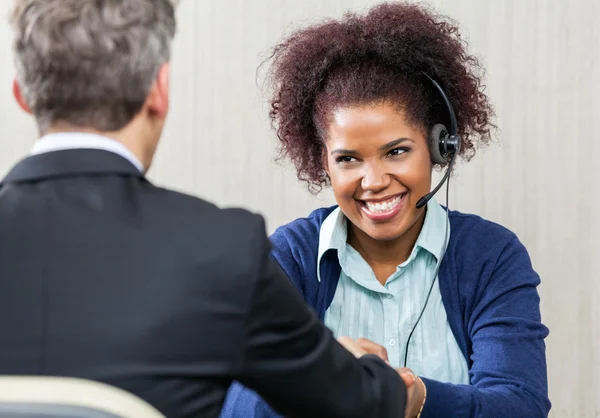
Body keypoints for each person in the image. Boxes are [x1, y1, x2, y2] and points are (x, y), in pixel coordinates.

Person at [0, 1, 418, 417]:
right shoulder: (221, 249)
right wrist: (374, 378)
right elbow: (359, 405)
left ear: (21, 92)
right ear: (158, 91)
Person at [221, 2, 551, 418]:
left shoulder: (491, 257)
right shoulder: (287, 259)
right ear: (323, 161)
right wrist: (317, 375)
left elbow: (520, 406)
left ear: (439, 147)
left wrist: (417, 398)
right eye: (348, 159)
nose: (373, 180)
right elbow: (234, 406)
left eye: (396, 151)